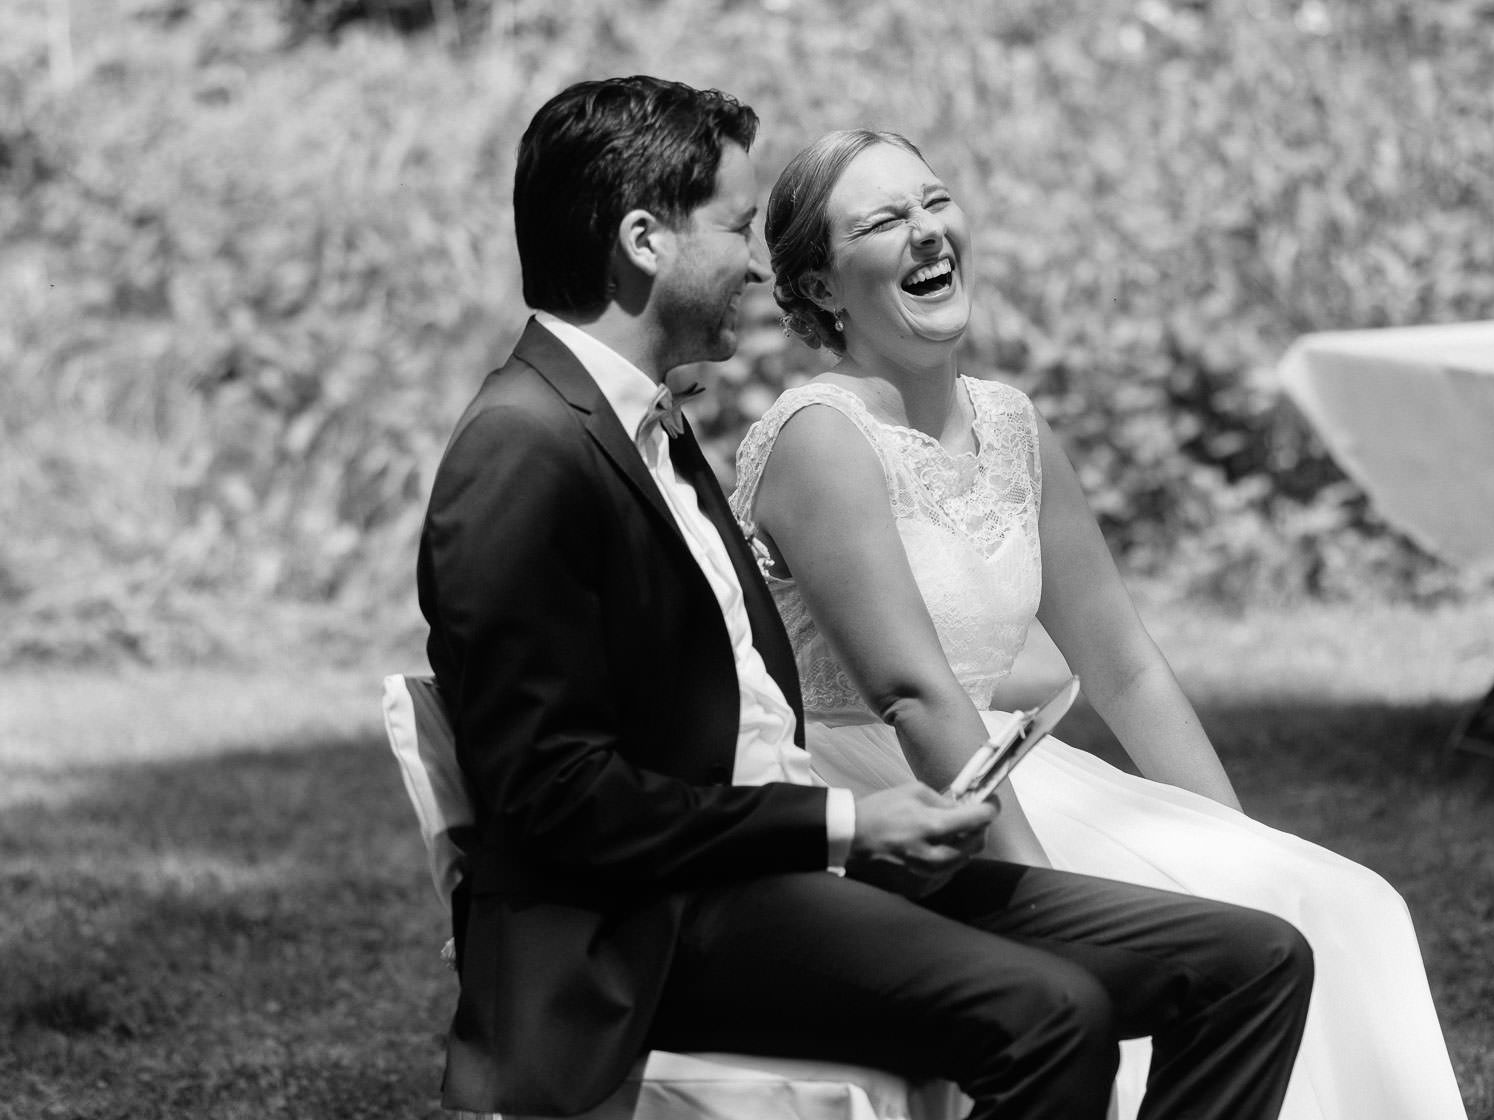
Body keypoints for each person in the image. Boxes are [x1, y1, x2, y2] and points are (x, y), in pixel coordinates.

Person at [418, 78, 1313, 1120]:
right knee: (1052, 1013)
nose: (755, 262)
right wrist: (842, 823)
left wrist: (857, 835)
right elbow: (558, 797)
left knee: (1255, 959)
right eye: (737, 226)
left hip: (792, 878)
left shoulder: (644, 427)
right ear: (645, 240)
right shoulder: (522, 450)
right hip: (650, 931)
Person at [730, 129, 1468, 1120]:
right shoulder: (820, 436)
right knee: (1216, 942)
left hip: (1005, 767)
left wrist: (1237, 839)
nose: (925, 232)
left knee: (1336, 897)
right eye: (882, 220)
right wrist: (1053, 905)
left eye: (934, 201)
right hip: (888, 793)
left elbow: (1126, 669)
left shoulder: (1014, 426)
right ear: (821, 287)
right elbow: (915, 697)